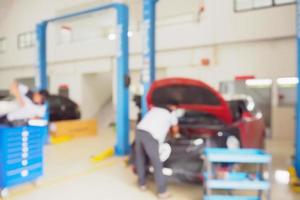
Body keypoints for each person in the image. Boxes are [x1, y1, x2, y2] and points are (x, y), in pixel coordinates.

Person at [135, 100, 179, 199]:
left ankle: (142, 184)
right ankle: (162, 191)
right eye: (176, 108)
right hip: (151, 136)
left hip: (139, 131)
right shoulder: (171, 113)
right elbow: (175, 129)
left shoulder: (155, 109)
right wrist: (175, 136)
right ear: (173, 107)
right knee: (156, 162)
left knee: (140, 158)